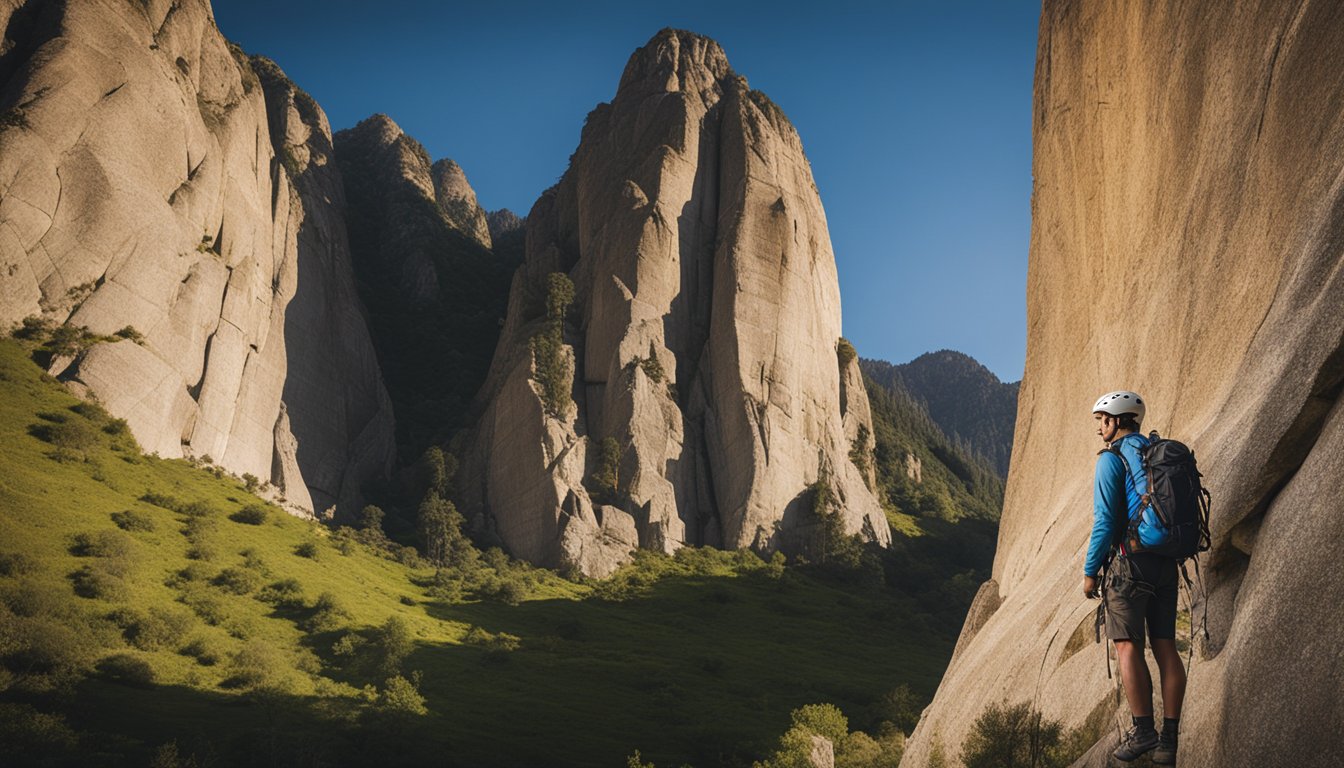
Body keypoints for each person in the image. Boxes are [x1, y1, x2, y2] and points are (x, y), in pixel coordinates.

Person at [1082, 391, 1186, 765]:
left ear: (1115, 421)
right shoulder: (1156, 453)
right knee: (1165, 647)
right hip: (1166, 564)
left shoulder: (1112, 460)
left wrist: (1090, 572)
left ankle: (1144, 732)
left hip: (1130, 564)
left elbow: (1105, 520)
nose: (1099, 429)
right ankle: (1169, 739)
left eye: (1101, 421)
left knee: (1126, 646)